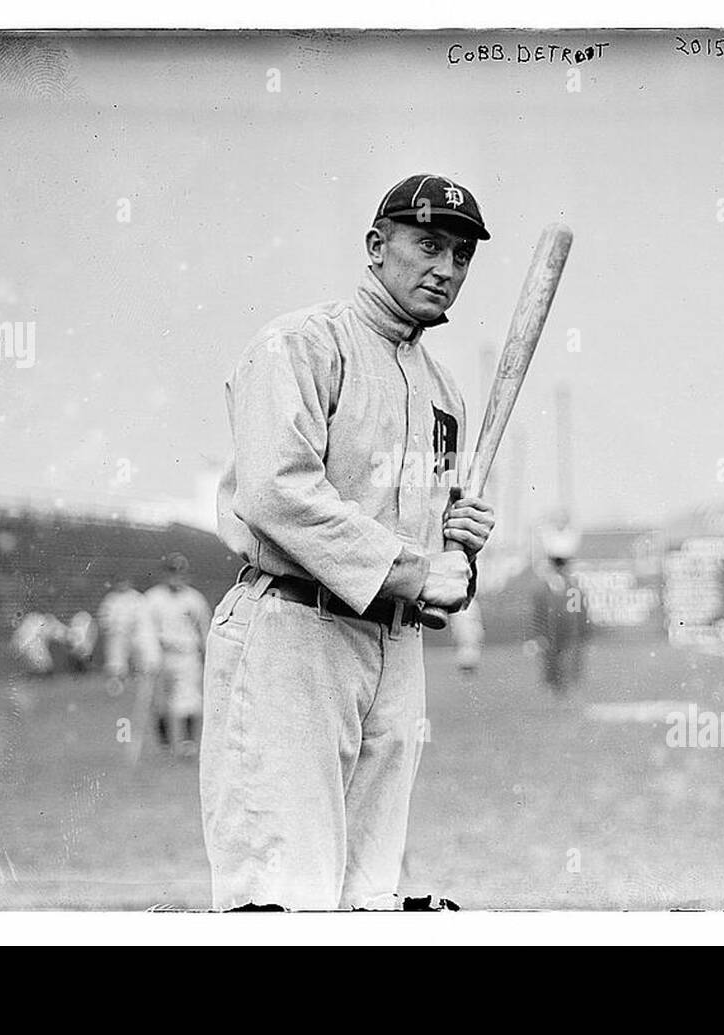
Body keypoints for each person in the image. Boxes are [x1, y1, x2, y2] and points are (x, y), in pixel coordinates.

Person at [202, 173, 497, 910]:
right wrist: (413, 567)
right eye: (428, 244)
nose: (446, 269)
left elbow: (432, 569)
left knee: (371, 894)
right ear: (376, 247)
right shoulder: (301, 344)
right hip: (292, 630)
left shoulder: (445, 394)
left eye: (461, 255)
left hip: (393, 650)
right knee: (285, 889)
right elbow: (275, 491)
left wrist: (462, 552)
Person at [145, 554, 212, 757]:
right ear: (165, 574)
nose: (176, 577)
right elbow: (146, 630)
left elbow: (204, 629)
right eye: (172, 572)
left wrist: (206, 653)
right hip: (162, 655)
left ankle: (188, 743)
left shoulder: (195, 599)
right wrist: (150, 655)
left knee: (190, 699)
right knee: (161, 702)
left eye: (180, 572)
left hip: (187, 655)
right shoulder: (152, 598)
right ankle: (165, 743)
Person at [530, 549, 590, 695]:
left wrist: (581, 632)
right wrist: (539, 635)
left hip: (568, 632)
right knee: (552, 665)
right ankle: (556, 692)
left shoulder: (572, 586)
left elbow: (576, 612)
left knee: (567, 664)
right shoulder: (544, 587)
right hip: (550, 632)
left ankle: (564, 692)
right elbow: (539, 613)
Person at [97, 577, 161, 698]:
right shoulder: (111, 599)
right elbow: (104, 619)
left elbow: (143, 619)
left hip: (136, 636)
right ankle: (116, 685)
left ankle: (144, 682)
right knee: (116, 661)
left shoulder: (137, 598)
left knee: (145, 661)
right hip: (118, 636)